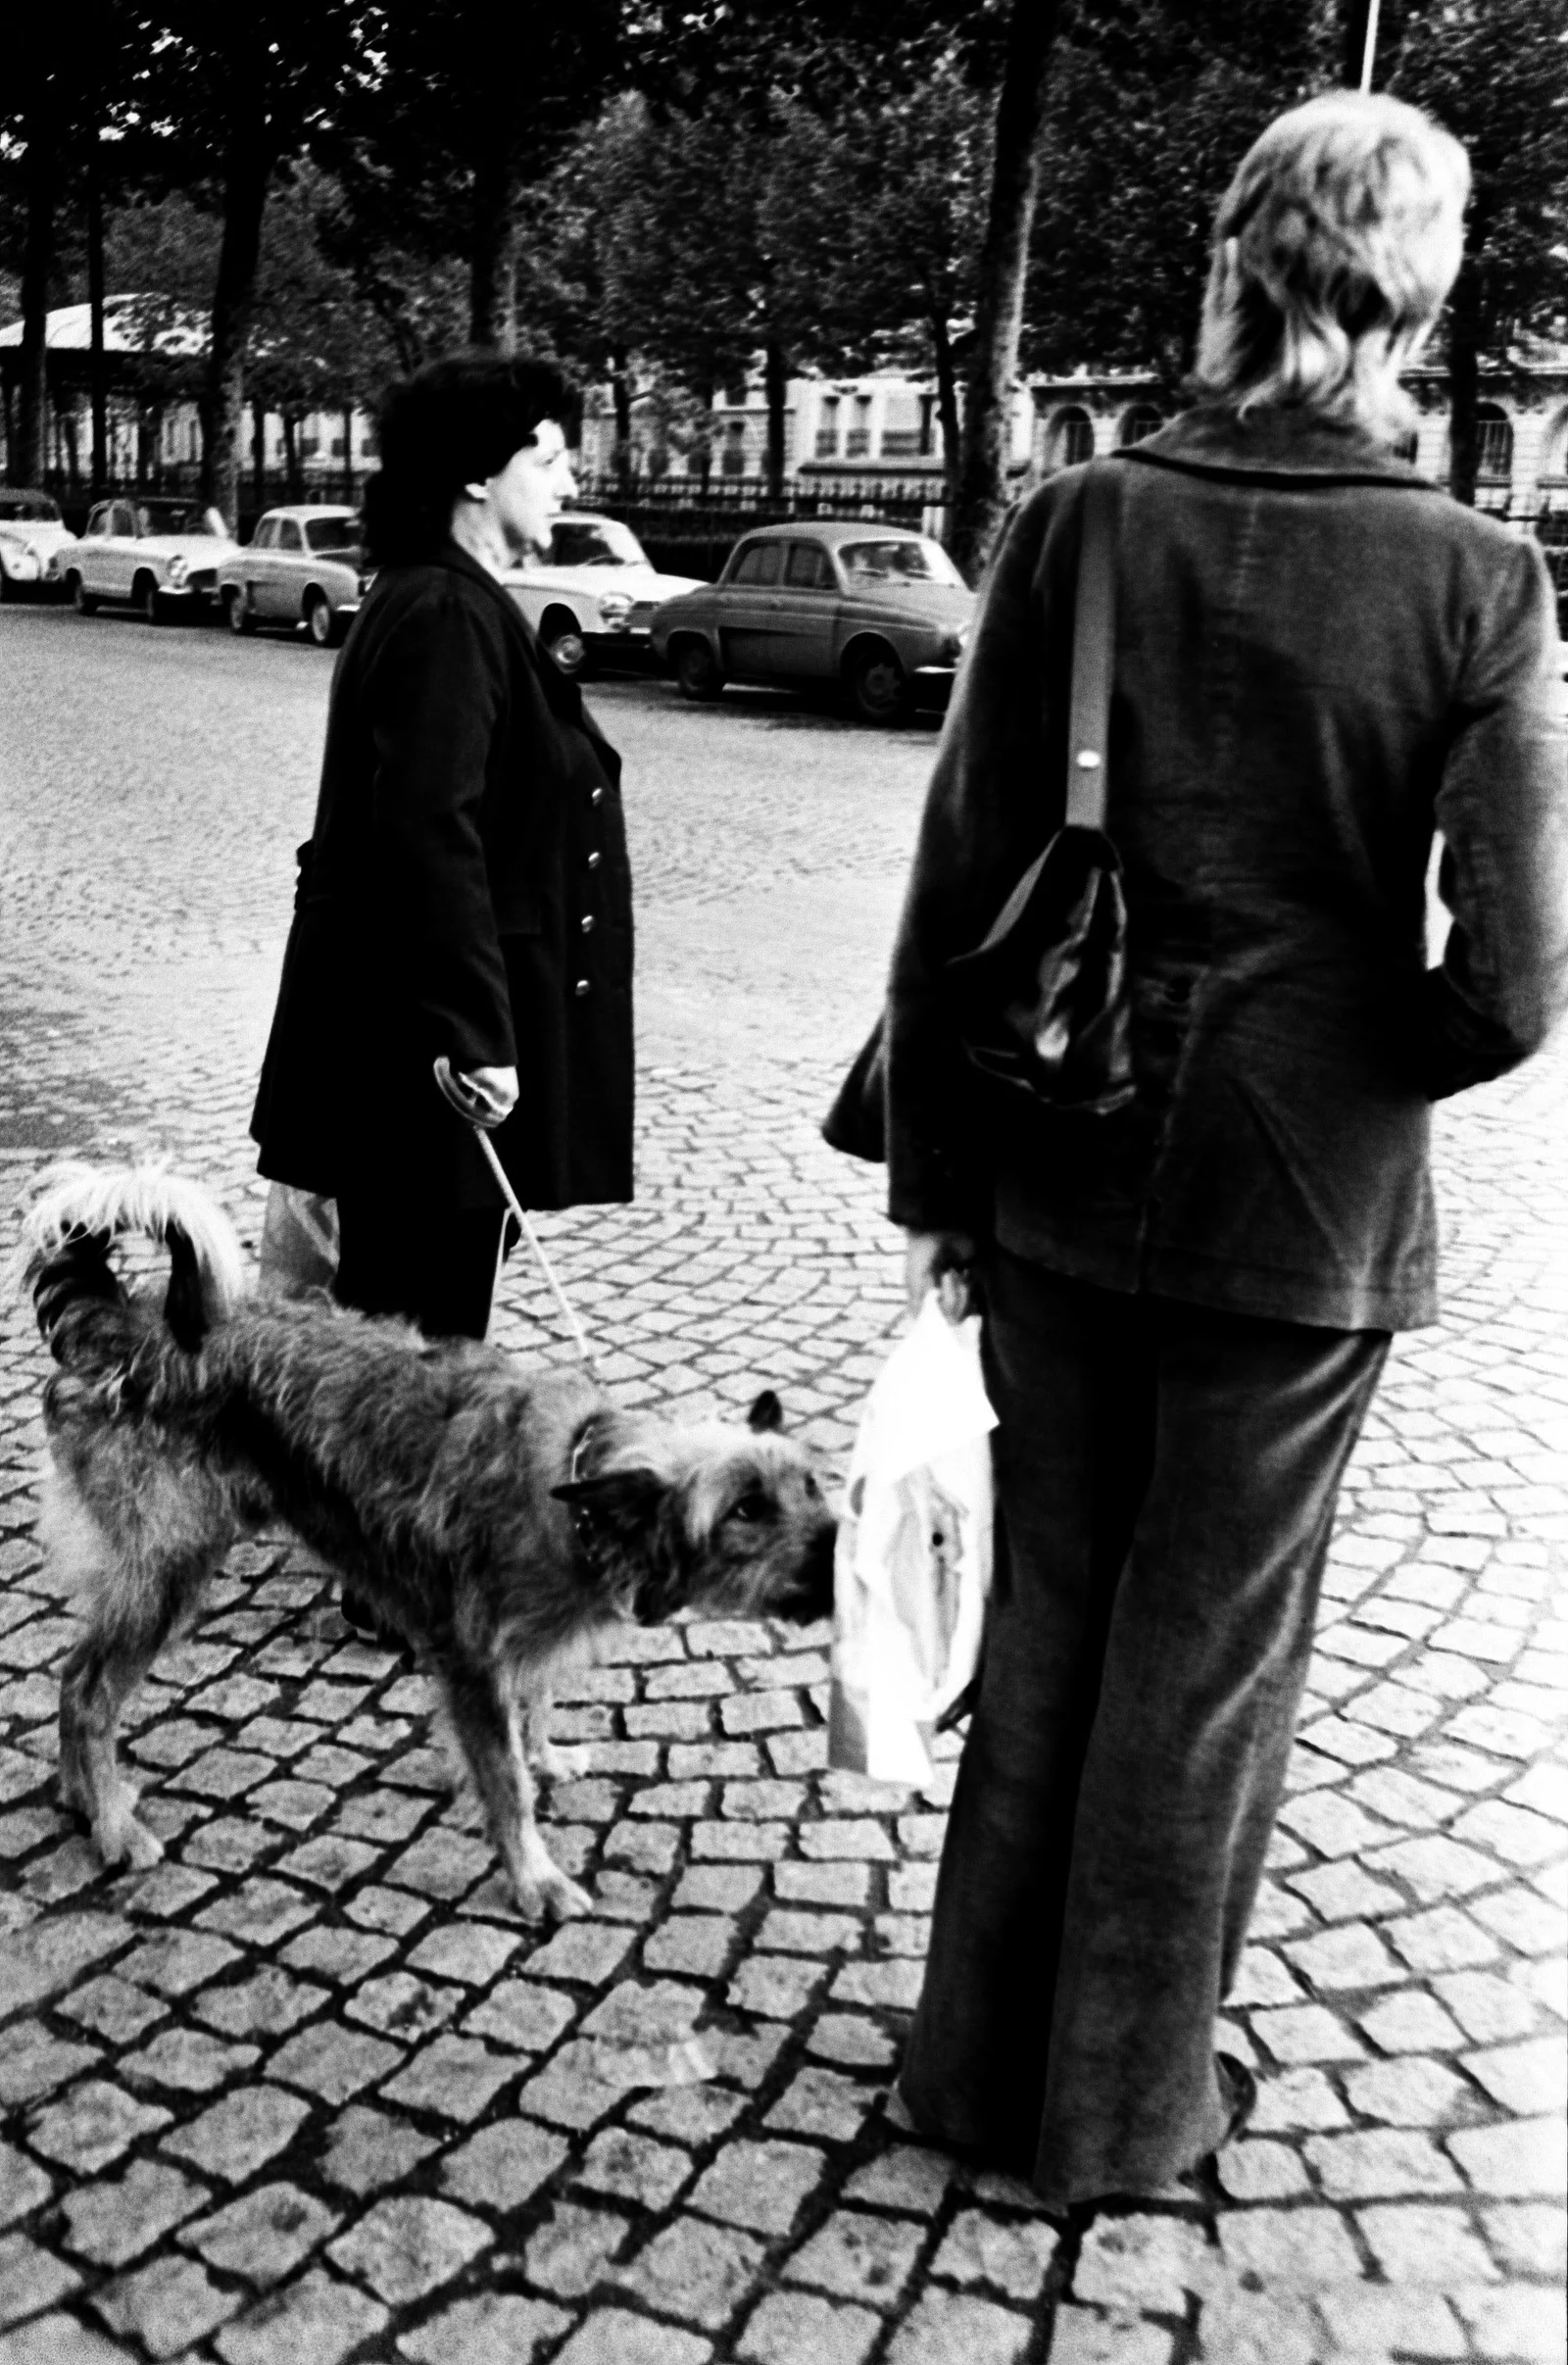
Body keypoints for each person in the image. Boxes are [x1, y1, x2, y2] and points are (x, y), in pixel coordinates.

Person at [870, 92, 1566, 2212]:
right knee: (1204, 1667)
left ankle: (964, 2072)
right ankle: (1118, 2113)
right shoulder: (1479, 577)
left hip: (1062, 1166)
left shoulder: (1082, 523)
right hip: (1301, 1212)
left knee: (1049, 1626)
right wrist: (1344, 1062)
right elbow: (1513, 980)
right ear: (1419, 298)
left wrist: (939, 1187)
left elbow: (957, 877)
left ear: (1234, 265)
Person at [251, 353, 634, 1351]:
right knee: (412, 1369)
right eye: (547, 460)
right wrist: (476, 1035)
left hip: (409, 1060)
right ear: (474, 474)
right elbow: (429, 833)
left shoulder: (446, 599)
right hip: (417, 1078)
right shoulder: (444, 611)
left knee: (404, 1354)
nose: (569, 482)